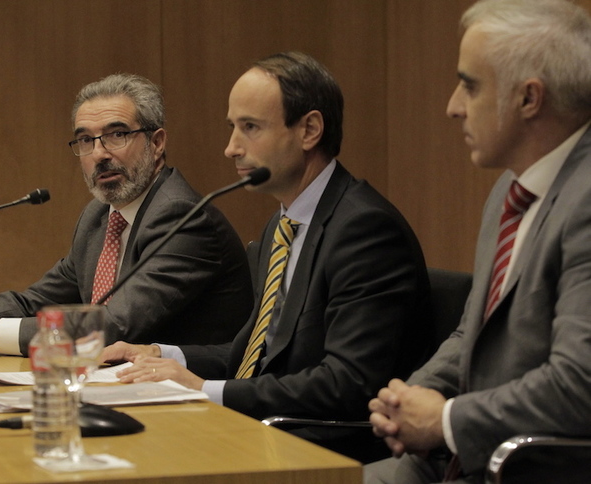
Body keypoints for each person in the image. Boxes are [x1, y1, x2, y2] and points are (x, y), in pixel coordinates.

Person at [100, 52, 431, 456]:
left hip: (323, 448)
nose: (231, 149)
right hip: (265, 431)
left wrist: (205, 391)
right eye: (232, 128)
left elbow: (347, 382)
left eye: (250, 128)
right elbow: (258, 356)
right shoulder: (283, 225)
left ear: (309, 130)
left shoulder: (364, 230)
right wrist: (163, 354)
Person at [365, 1, 591, 482]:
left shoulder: (586, 201)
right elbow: (473, 333)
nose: (453, 105)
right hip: (462, 458)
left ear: (529, 98)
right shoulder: (509, 192)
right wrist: (409, 399)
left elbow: (578, 386)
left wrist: (443, 421)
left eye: (470, 85)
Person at [0, 73, 253, 356]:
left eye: (117, 135)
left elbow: (113, 324)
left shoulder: (183, 217)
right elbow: (36, 301)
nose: (99, 154)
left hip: (190, 401)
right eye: (86, 141)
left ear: (157, 142)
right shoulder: (100, 216)